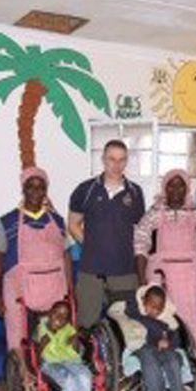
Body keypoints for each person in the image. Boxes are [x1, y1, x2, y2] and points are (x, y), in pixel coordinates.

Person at [134, 169, 196, 356]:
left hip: (191, 280)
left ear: (187, 188)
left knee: (191, 321)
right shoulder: (153, 215)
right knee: (162, 322)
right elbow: (140, 248)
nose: (176, 189)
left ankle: (192, 367)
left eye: (180, 185)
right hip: (162, 279)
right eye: (171, 185)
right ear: (165, 188)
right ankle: (164, 367)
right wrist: (142, 284)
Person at [0, 167, 72, 353]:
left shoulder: (57, 222)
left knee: (55, 337)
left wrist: (70, 290)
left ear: (46, 191)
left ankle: (53, 376)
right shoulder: (8, 222)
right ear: (23, 189)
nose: (36, 191)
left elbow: (66, 255)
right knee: (17, 335)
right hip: (18, 288)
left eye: (41, 187)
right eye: (31, 186)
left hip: (53, 287)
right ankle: (23, 375)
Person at [69, 140, 145, 329]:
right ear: (103, 159)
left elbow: (139, 232)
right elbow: (73, 224)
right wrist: (93, 246)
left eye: (121, 160)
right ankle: (89, 359)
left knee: (126, 326)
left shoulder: (135, 193)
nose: (116, 165)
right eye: (112, 159)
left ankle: (120, 360)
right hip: (91, 271)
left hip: (125, 272)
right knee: (87, 325)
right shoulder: (85, 190)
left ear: (126, 161)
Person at [124, 284, 192, 391]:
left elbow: (177, 340)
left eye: (158, 308)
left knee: (173, 362)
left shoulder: (167, 319)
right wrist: (141, 301)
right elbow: (129, 309)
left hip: (164, 349)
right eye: (151, 306)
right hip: (143, 348)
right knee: (151, 366)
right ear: (144, 301)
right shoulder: (136, 312)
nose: (154, 311)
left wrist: (168, 341)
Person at [36, 300, 92, 391]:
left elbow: (72, 347)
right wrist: (45, 339)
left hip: (70, 360)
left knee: (85, 376)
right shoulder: (41, 328)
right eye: (56, 313)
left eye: (64, 316)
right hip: (50, 362)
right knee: (69, 382)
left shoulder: (68, 328)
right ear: (49, 313)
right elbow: (36, 352)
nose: (59, 318)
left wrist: (75, 337)